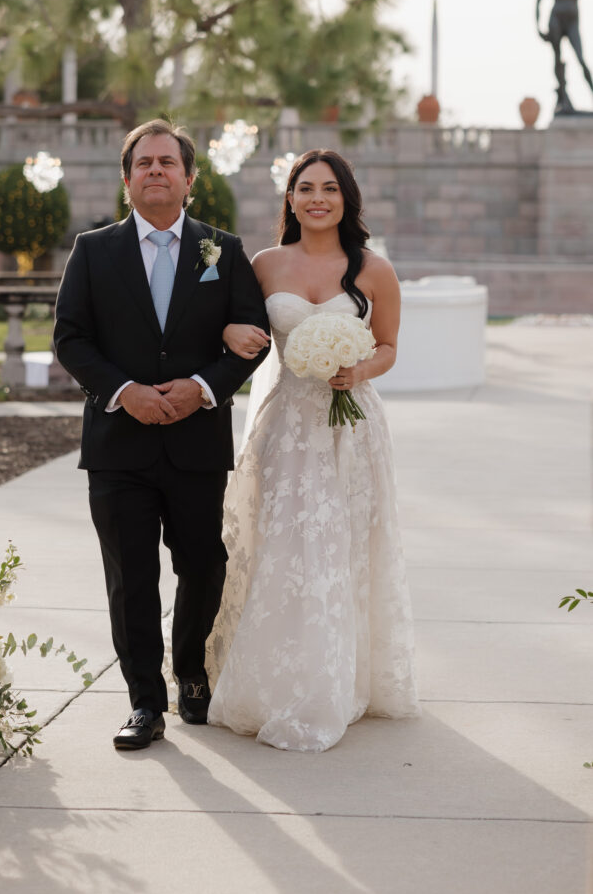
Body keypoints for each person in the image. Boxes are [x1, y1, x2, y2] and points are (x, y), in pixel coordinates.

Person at [54, 120, 269, 750]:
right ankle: (145, 702)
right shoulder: (93, 251)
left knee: (204, 563)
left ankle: (193, 675)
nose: (155, 171)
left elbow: (252, 334)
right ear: (127, 182)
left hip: (197, 442)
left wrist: (202, 386)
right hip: (119, 445)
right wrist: (128, 393)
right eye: (143, 163)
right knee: (133, 577)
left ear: (188, 179)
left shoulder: (221, 251)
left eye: (166, 162)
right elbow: (70, 338)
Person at [205, 149, 419, 752]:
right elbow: (231, 324)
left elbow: (389, 345)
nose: (317, 197)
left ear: (346, 198)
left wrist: (361, 369)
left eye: (329, 188)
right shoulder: (264, 264)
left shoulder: (374, 269)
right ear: (291, 199)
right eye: (306, 188)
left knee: (342, 546)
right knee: (286, 545)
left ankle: (340, 679)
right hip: (286, 427)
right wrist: (226, 330)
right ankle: (276, 681)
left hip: (351, 428)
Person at [536, 0, 593, 113]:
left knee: (581, 59)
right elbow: (537, 3)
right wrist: (538, 27)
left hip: (571, 18)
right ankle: (562, 97)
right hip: (556, 19)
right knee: (557, 59)